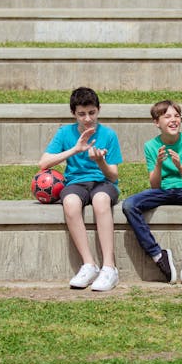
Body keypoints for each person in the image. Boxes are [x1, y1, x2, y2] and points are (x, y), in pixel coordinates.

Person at [122, 100, 182, 285]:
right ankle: (158, 255)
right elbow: (155, 186)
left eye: (177, 116)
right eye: (167, 117)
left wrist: (180, 166)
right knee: (129, 205)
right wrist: (158, 164)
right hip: (162, 191)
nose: (173, 120)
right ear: (157, 123)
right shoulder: (150, 146)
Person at [39, 87, 123, 292]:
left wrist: (101, 161)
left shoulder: (109, 135)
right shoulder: (65, 133)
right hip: (76, 183)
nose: (87, 119)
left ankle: (109, 268)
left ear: (99, 110)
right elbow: (44, 163)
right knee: (70, 202)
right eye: (82, 114)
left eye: (92, 113)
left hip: (103, 183)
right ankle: (89, 265)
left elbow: (113, 175)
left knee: (101, 200)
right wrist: (75, 149)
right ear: (73, 114)